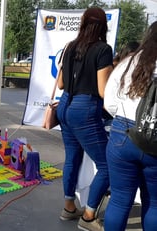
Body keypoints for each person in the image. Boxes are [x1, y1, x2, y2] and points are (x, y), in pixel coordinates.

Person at [55, 7, 113, 231]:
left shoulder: (70, 46)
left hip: (65, 105)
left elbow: (60, 84)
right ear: (102, 26)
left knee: (72, 158)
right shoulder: (103, 49)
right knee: (107, 165)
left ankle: (69, 207)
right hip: (84, 109)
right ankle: (88, 216)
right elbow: (102, 90)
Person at [103, 22, 157, 231]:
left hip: (122, 133)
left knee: (119, 200)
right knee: (153, 203)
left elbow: (109, 103)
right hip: (154, 140)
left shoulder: (129, 62)